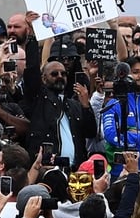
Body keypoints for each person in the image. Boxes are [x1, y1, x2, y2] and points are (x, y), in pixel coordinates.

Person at [23, 38, 98, 167]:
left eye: (63, 74)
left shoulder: (74, 105)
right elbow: (31, 72)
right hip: (46, 168)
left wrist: (86, 106)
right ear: (44, 78)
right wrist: (32, 38)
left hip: (75, 170)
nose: (60, 76)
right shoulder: (39, 100)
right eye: (54, 74)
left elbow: (90, 132)